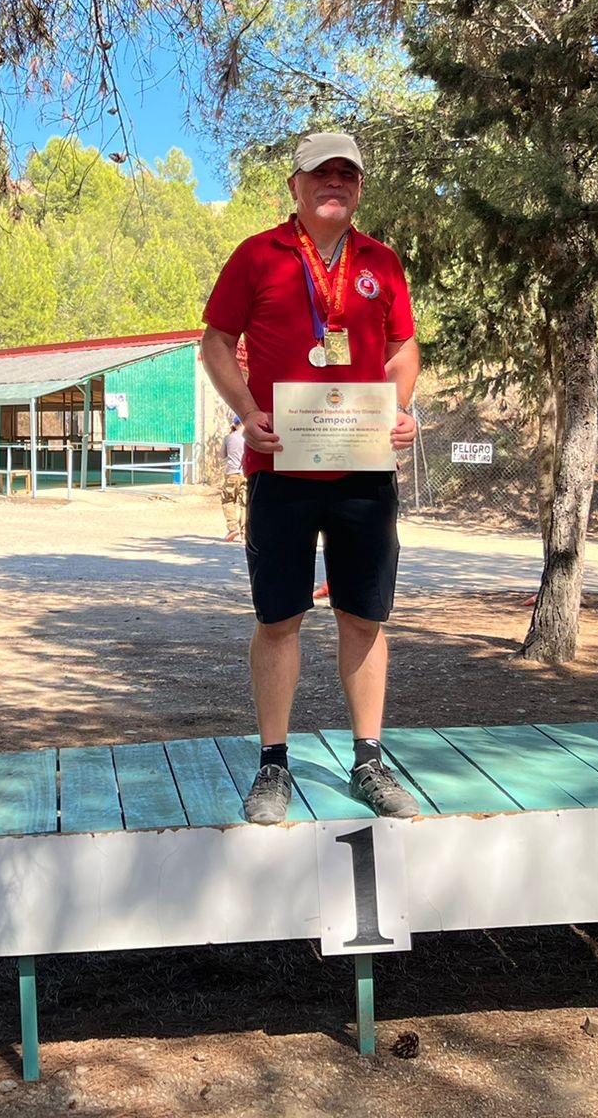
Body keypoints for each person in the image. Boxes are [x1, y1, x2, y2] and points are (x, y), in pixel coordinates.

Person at [200, 131, 422, 824]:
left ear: (359, 186)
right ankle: (274, 765)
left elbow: (403, 345)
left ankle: (370, 760)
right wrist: (246, 413)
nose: (336, 184)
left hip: (362, 468)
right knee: (280, 617)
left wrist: (400, 407)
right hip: (281, 462)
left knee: (363, 614)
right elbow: (213, 340)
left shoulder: (380, 262)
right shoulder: (257, 255)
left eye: (347, 175)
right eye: (321, 174)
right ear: (294, 186)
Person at [219, 416, 248, 541]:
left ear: (234, 424)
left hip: (231, 473)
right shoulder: (249, 437)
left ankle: (232, 528)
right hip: (246, 473)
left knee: (228, 500)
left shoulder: (228, 438)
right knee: (245, 503)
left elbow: (222, 456)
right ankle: (245, 532)